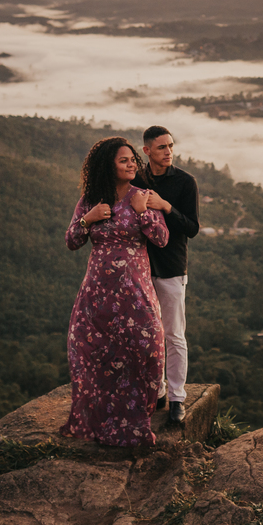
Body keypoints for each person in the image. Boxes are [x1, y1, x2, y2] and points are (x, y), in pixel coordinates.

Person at [61, 137, 169, 447]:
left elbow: (161, 238)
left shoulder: (143, 197)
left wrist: (143, 212)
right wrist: (88, 218)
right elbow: (72, 240)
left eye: (133, 159)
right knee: (93, 353)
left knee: (148, 350)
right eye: (124, 160)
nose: (132, 164)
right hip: (97, 293)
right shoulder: (90, 200)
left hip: (135, 292)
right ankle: (101, 419)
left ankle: (137, 417)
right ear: (108, 166)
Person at [134, 125, 200, 423]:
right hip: (141, 268)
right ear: (147, 151)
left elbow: (192, 228)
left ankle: (177, 398)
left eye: (171, 145)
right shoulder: (136, 179)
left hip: (172, 269)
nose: (169, 151)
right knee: (147, 335)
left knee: (173, 334)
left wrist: (166, 207)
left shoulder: (185, 182)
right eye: (162, 147)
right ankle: (157, 391)